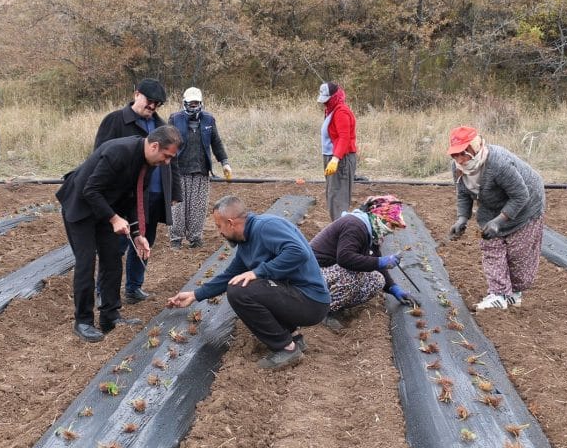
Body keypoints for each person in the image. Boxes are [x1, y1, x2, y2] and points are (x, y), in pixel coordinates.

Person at [167, 196, 331, 370]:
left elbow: (299, 253)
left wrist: (257, 272)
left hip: (311, 302)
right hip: (298, 299)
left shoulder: (266, 227)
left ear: (230, 222)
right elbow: (230, 274)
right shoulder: (245, 242)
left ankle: (287, 349)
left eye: (218, 226)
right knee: (241, 283)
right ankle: (294, 338)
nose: (219, 232)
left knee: (240, 291)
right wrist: (195, 295)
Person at [57, 126, 183, 342]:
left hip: (105, 208)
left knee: (113, 259)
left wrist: (137, 233)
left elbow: (135, 197)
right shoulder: (119, 152)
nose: (167, 162)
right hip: (80, 207)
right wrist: (114, 219)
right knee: (86, 262)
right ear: (154, 146)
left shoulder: (149, 161)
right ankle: (83, 321)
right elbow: (90, 190)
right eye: (167, 155)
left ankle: (110, 316)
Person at [94, 78, 180, 304]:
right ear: (136, 94)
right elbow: (99, 157)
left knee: (145, 241)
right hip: (124, 198)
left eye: (157, 104)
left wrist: (174, 192)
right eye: (149, 101)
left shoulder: (162, 126)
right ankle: (104, 291)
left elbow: (174, 161)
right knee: (118, 245)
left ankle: (134, 287)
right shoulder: (115, 121)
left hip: (154, 195)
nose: (152, 107)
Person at [446, 126, 545, 311]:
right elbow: (462, 193)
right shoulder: (458, 168)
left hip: (527, 204)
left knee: (518, 254)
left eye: (463, 154)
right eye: (455, 155)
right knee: (490, 244)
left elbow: (520, 196)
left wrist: (500, 221)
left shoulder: (498, 163)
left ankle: (514, 294)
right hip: (491, 205)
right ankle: (498, 295)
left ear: (474, 148)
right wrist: (462, 218)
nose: (459, 159)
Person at [310, 195, 419, 328]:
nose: (392, 229)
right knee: (351, 275)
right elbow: (345, 258)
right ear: (380, 217)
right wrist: (380, 261)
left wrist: (394, 289)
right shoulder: (354, 226)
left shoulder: (371, 231)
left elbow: (375, 262)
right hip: (313, 272)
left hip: (330, 272)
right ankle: (323, 311)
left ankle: (338, 305)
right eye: (392, 224)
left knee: (377, 280)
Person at [168, 87, 231, 249]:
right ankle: (176, 238)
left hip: (201, 170)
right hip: (179, 170)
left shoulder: (209, 120)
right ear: (185, 103)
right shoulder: (175, 119)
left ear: (201, 103)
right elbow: (166, 142)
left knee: (198, 207)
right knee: (178, 207)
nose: (194, 106)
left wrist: (224, 162)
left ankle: (195, 238)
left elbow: (216, 143)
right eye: (191, 103)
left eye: (197, 103)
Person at [318, 81, 358, 221]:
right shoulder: (331, 110)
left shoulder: (341, 111)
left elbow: (344, 137)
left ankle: (341, 231)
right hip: (331, 158)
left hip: (341, 159)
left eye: (327, 99)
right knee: (332, 194)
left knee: (338, 196)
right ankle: (338, 227)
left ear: (334, 97)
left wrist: (335, 159)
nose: (324, 103)